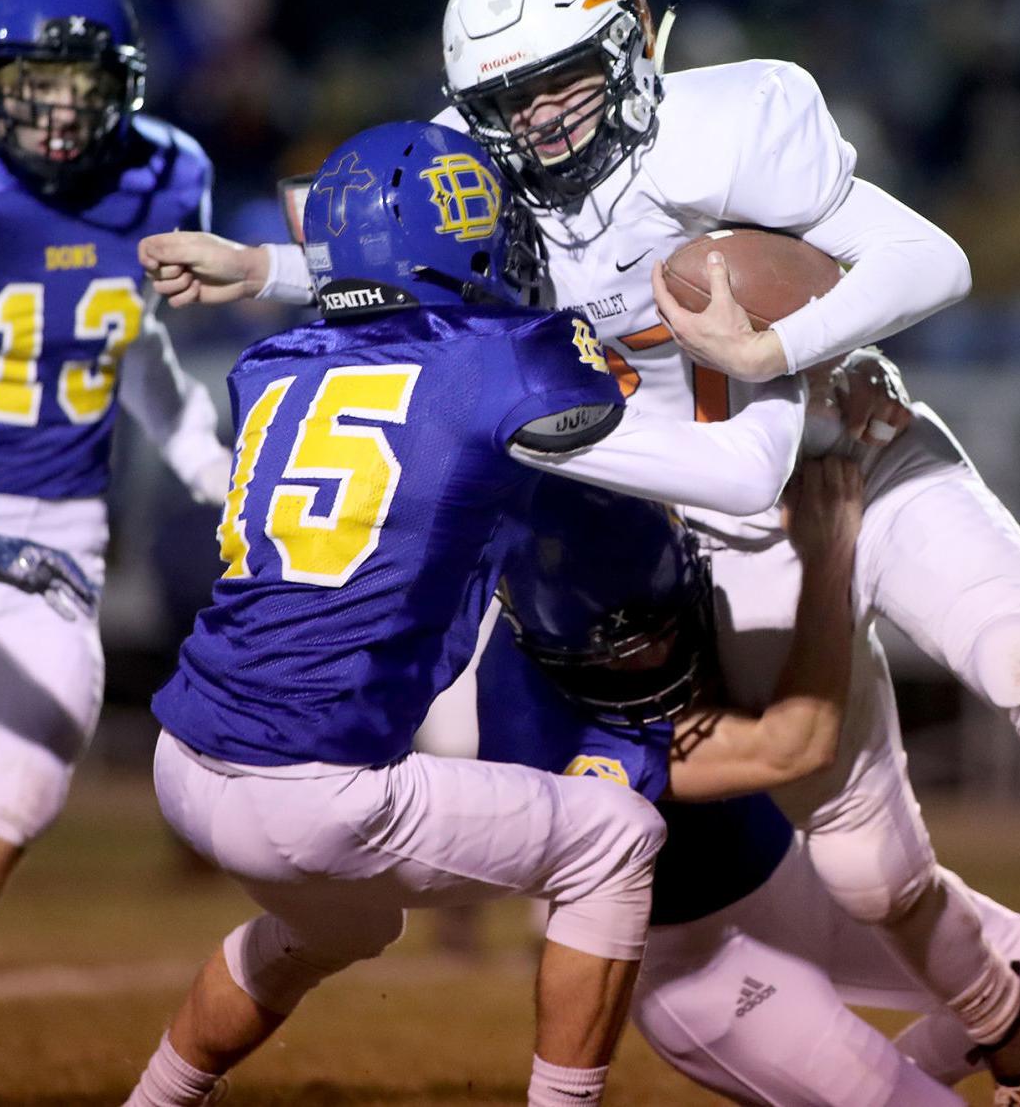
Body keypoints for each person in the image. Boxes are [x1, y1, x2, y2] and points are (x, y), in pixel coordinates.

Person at [124, 119, 810, 1107]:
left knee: (347, 926)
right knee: (615, 834)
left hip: (184, 759)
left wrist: (266, 267)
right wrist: (780, 359)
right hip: (311, 789)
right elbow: (709, 465)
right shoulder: (501, 361)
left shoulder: (270, 365)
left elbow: (386, 331)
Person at [480, 466, 1020, 1106]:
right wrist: (831, 551)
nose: (652, 658)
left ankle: (937, 1064)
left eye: (662, 626)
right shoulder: (528, 728)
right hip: (700, 964)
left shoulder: (690, 566)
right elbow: (796, 744)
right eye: (615, 648)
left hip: (791, 874)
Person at [0, 0, 230, 1000]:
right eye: (33, 86)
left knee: (25, 783)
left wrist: (202, 460)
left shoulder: (165, 174)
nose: (60, 114)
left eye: (83, 86)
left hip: (57, 529)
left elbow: (128, 339)